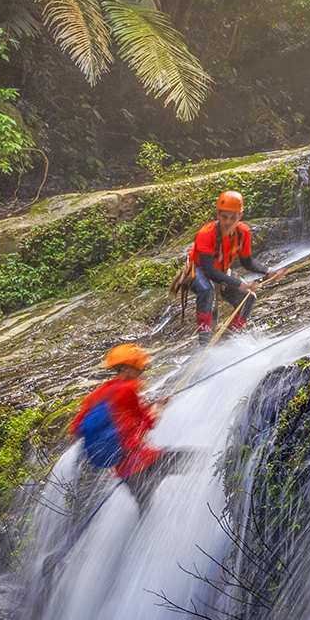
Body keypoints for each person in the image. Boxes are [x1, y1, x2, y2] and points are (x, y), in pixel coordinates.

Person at [66, 344, 189, 512]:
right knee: (201, 460)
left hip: (124, 471)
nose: (142, 372)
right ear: (125, 367)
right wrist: (157, 409)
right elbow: (146, 423)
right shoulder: (130, 388)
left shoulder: (96, 395)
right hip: (146, 460)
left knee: (147, 512)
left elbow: (74, 429)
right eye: (139, 367)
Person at [191, 191, 258, 339]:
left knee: (250, 297)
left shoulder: (243, 232)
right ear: (217, 214)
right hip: (196, 269)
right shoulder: (206, 233)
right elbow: (208, 270)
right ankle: (204, 337)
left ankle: (227, 336)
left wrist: (269, 272)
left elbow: (247, 262)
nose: (228, 222)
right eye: (224, 217)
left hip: (221, 270)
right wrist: (238, 283)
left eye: (233, 218)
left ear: (240, 217)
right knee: (207, 290)